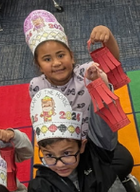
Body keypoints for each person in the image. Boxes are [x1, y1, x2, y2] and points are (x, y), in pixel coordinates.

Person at [25, 10, 134, 180]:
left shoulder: (86, 72)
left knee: (123, 162)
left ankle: (112, 181)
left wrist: (108, 37)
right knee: (51, 177)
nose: (56, 63)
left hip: (94, 141)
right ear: (39, 65)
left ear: (72, 57)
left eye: (61, 55)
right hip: (62, 149)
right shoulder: (37, 86)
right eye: (47, 59)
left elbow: (112, 64)